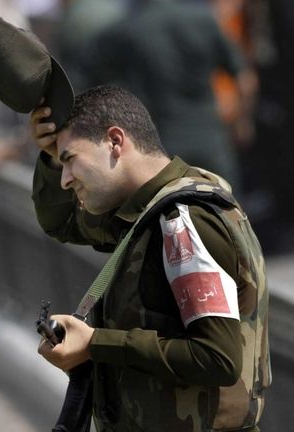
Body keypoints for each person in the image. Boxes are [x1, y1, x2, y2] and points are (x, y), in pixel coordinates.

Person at [30, 85, 270, 431]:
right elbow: (63, 223)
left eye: (69, 160)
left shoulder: (182, 222)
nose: (65, 180)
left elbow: (217, 357)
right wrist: (50, 155)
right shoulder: (147, 213)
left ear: (115, 141)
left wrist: (96, 343)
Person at [80, 0, 254, 191]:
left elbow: (86, 72)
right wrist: (243, 122)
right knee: (227, 210)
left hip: (161, 145)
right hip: (211, 140)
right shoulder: (203, 19)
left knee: (170, 215)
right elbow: (246, 79)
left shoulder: (127, 29)